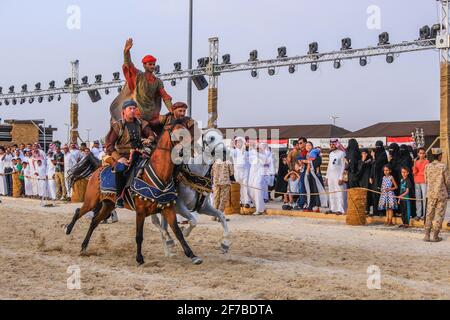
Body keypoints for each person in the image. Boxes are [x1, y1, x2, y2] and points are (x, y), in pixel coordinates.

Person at [105, 99, 155, 208]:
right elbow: (109, 145)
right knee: (121, 168)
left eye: (134, 108)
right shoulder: (118, 126)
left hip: (140, 153)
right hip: (123, 156)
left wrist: (149, 139)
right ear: (124, 111)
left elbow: (150, 134)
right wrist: (118, 158)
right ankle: (119, 196)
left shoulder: (141, 123)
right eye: (130, 109)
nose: (132, 111)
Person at [122, 38, 173, 122]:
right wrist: (126, 52)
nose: (152, 66)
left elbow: (165, 96)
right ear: (144, 65)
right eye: (150, 64)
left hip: (152, 114)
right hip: (138, 113)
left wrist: (172, 110)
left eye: (153, 64)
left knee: (169, 123)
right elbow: (129, 65)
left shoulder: (158, 81)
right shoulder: (138, 75)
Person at [424, 148, 450, 242]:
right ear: (439, 156)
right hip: (441, 194)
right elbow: (447, 181)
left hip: (430, 194)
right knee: (439, 214)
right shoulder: (443, 166)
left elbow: (425, 180)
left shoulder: (427, 166)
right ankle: (435, 236)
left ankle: (427, 235)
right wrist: (448, 190)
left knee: (429, 214)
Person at [326, 139, 347, 215]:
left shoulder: (342, 154)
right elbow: (329, 166)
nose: (332, 146)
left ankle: (341, 209)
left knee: (339, 193)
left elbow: (343, 166)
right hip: (331, 177)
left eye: (333, 144)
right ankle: (332, 208)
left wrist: (341, 178)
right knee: (331, 192)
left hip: (338, 177)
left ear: (337, 144)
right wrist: (327, 176)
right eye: (331, 144)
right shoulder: (331, 154)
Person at [230, 137, 251, 208]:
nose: (239, 143)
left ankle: (247, 201)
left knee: (245, 186)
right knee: (239, 186)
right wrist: (231, 145)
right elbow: (230, 152)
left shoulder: (247, 152)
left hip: (245, 172)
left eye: (241, 142)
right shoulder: (234, 151)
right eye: (238, 142)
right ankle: (240, 201)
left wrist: (245, 149)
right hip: (237, 172)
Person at [248, 143, 269, 215]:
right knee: (250, 191)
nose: (259, 149)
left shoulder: (264, 156)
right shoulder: (253, 154)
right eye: (258, 148)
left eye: (260, 148)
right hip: (252, 174)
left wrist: (254, 149)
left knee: (257, 190)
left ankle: (259, 209)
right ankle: (258, 206)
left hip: (259, 174)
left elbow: (262, 159)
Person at [370, 141, 388, 216]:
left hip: (381, 176)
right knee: (374, 194)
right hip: (374, 177)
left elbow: (377, 164)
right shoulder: (377, 154)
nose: (377, 148)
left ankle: (381, 211)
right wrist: (370, 176)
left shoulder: (383, 154)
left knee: (380, 194)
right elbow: (373, 166)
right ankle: (375, 211)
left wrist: (374, 157)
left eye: (378, 146)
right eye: (376, 146)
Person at [413, 147, 429, 221]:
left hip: (424, 181)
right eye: (420, 153)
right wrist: (414, 164)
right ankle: (418, 214)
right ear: (418, 154)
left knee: (424, 198)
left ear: (425, 154)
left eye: (423, 153)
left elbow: (427, 172)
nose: (422, 154)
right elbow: (414, 172)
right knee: (418, 198)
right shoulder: (416, 161)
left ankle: (425, 215)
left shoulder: (427, 162)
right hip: (417, 181)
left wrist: (419, 172)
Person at [356, 148, 373, 214]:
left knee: (368, 194)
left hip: (368, 180)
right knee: (362, 194)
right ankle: (362, 208)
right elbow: (359, 170)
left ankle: (367, 209)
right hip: (362, 180)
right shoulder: (360, 161)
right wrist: (363, 161)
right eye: (363, 153)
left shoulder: (370, 161)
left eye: (365, 153)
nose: (364, 155)